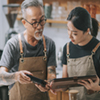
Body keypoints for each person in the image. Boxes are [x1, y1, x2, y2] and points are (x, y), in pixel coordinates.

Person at [0, 0, 56, 100]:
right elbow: (1, 77)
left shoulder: (49, 44)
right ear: (24, 23)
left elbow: (51, 73)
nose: (39, 27)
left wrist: (49, 84)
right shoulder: (13, 44)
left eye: (42, 20)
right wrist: (16, 76)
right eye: (34, 23)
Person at [62, 7, 100, 100]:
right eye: (68, 30)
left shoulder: (98, 49)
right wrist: (55, 86)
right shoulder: (67, 48)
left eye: (74, 33)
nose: (69, 36)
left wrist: (98, 88)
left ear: (87, 31)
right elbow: (64, 83)